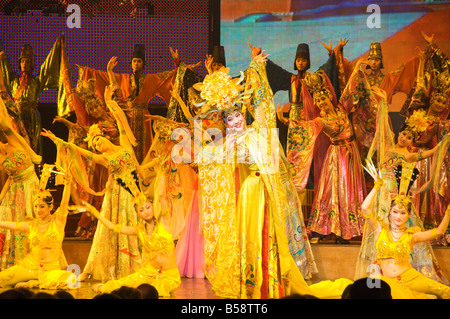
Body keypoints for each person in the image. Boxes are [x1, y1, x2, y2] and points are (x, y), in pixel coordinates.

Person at [196, 50, 350, 299]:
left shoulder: (257, 133)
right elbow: (210, 164)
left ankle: (271, 281)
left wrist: (256, 67)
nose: (235, 122)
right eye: (230, 120)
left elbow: (264, 105)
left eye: (237, 116)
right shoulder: (228, 145)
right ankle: (250, 281)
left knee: (268, 234)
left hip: (265, 191)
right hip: (248, 193)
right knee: (248, 235)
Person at [41, 65, 157, 282]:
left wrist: (110, 102)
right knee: (107, 230)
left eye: (98, 139)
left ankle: (134, 264)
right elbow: (83, 152)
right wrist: (60, 141)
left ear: (105, 138)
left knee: (133, 228)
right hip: (115, 196)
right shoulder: (104, 158)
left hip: (132, 194)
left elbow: (122, 124)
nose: (98, 144)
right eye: (95, 143)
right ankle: (95, 266)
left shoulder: (123, 146)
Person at [355, 89, 449, 284]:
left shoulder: (409, 155)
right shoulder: (388, 147)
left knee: (402, 230)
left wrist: (444, 142)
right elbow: (382, 127)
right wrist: (383, 103)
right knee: (378, 232)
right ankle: (376, 277)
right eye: (403, 134)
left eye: (408, 138)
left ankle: (402, 271)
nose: (404, 138)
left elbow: (429, 153)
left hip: (395, 200)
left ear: (412, 142)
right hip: (381, 195)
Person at [361, 163, 450, 299]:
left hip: (410, 278)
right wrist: (376, 186)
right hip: (387, 283)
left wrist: (449, 212)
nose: (398, 216)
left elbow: (439, 231)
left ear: (409, 215)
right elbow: (365, 208)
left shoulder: (412, 235)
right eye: (395, 212)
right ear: (389, 212)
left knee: (444, 291)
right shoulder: (380, 229)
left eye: (403, 213)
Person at [78, 45, 180, 162]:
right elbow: (106, 79)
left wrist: (177, 63)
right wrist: (97, 71)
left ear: (143, 64)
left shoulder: (151, 79)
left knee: (145, 149)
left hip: (144, 118)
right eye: (134, 61)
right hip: (126, 117)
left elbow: (168, 77)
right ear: (131, 64)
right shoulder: (123, 78)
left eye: (139, 61)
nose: (136, 64)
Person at [90, 172, 181, 298]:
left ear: (153, 207)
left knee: (156, 289)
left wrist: (162, 171)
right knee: (124, 286)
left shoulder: (164, 222)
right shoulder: (139, 230)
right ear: (138, 214)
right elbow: (112, 227)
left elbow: (161, 195)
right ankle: (104, 287)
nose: (146, 212)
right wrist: (96, 213)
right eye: (141, 210)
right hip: (148, 273)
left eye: (148, 207)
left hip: (169, 277)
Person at [401, 34, 450, 245]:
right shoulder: (418, 115)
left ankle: (436, 230)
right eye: (437, 98)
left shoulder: (445, 123)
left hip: (437, 163)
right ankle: (413, 228)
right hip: (417, 160)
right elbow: (421, 83)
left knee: (435, 196)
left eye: (443, 100)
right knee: (415, 194)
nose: (439, 103)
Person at [0, 164, 75, 290]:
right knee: (2, 278)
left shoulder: (58, 222)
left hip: (50, 270)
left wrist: (68, 184)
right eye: (35, 206)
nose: (38, 210)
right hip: (29, 267)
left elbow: (64, 203)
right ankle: (32, 281)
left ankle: (32, 283)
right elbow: (13, 225)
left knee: (71, 279)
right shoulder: (32, 225)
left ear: (50, 207)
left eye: (42, 207)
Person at [0, 35, 67, 154]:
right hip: (17, 116)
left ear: (31, 64)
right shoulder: (14, 81)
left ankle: (35, 168)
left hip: (32, 116)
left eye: (27, 61)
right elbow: (5, 70)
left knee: (33, 143)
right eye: (23, 61)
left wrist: (56, 47)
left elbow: (47, 68)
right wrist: (2, 59)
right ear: (20, 64)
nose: (25, 64)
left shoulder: (36, 82)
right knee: (17, 141)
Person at [0, 98, 41, 270]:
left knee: (32, 220)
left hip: (31, 185)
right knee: (14, 226)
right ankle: (16, 262)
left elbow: (6, 124)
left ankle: (35, 260)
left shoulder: (13, 142)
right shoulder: (1, 157)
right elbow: (10, 177)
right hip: (15, 191)